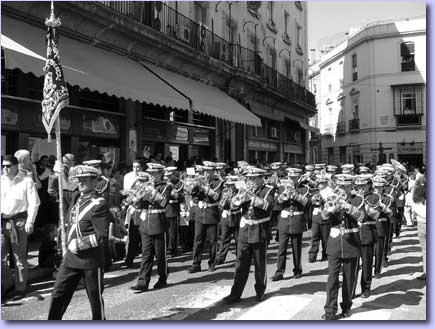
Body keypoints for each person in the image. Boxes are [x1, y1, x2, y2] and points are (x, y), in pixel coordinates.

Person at [47, 165, 109, 320]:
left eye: (85, 180)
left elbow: (101, 236)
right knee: (58, 293)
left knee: (94, 299)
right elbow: (55, 191)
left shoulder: (99, 203)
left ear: (94, 182)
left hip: (90, 260)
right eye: (78, 179)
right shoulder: (77, 197)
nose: (80, 183)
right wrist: (55, 174)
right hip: (71, 259)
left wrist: (79, 243)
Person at [222, 167, 274, 304]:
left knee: (259, 264)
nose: (250, 181)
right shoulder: (244, 189)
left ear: (261, 178)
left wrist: (251, 196)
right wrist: (238, 197)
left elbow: (268, 206)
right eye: (249, 178)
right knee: (240, 264)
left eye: (253, 178)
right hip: (244, 230)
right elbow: (233, 206)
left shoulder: (269, 189)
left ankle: (260, 291)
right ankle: (235, 294)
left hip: (259, 229)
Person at [322, 174, 363, 320]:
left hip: (351, 243)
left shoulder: (358, 199)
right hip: (334, 242)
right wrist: (329, 210)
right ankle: (330, 310)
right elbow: (323, 216)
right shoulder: (331, 198)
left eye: (346, 186)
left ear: (352, 186)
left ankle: (346, 306)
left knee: (349, 278)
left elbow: (362, 216)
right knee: (332, 278)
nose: (343, 189)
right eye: (340, 186)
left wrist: (347, 206)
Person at [1, 155, 41, 301]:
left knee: (19, 257)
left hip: (19, 222)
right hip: (2, 222)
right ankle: (7, 285)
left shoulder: (26, 181)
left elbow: (34, 203)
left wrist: (30, 222)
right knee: (1, 257)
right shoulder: (1, 181)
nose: (5, 168)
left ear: (16, 166)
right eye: (3, 166)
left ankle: (20, 288)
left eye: (8, 166)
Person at [130, 163, 171, 292]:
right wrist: (137, 198)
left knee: (160, 255)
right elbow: (139, 205)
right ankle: (143, 281)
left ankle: (162, 277)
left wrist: (153, 191)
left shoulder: (166, 186)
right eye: (150, 174)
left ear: (160, 174)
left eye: (154, 174)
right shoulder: (145, 186)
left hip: (158, 223)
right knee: (146, 254)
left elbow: (164, 203)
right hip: (145, 224)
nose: (151, 176)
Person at [271, 167, 309, 281]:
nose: (292, 179)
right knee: (281, 249)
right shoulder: (282, 187)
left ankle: (297, 270)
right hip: (284, 220)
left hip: (297, 219)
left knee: (296, 248)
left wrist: (296, 195)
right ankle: (279, 272)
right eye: (290, 177)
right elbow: (276, 204)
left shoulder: (304, 188)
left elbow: (306, 203)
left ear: (299, 177)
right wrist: (282, 197)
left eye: (294, 177)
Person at [187, 162, 224, 273]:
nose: (206, 173)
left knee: (212, 241)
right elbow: (192, 195)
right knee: (198, 240)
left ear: (213, 171)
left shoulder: (219, 182)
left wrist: (205, 188)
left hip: (211, 213)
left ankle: (212, 263)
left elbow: (217, 196)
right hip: (200, 213)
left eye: (209, 171)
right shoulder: (200, 180)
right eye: (205, 171)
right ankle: (196, 263)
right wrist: (194, 186)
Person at [215, 175, 241, 266]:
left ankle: (240, 257)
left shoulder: (240, 192)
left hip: (236, 216)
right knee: (224, 238)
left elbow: (239, 204)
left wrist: (229, 200)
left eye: (232, 184)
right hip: (226, 216)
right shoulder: (225, 191)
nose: (230, 186)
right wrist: (222, 202)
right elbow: (220, 202)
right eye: (229, 184)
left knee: (238, 239)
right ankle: (221, 258)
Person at [121, 160, 143, 268]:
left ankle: (146, 258)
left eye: (138, 167)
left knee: (144, 236)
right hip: (132, 208)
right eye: (134, 167)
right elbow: (126, 192)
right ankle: (129, 259)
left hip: (143, 210)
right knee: (132, 235)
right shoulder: (128, 176)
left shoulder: (146, 177)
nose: (136, 169)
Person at [308, 175, 331, 263]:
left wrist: (323, 200)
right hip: (316, 215)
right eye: (319, 183)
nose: (321, 185)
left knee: (325, 237)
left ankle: (325, 254)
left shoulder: (329, 191)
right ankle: (312, 255)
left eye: (323, 183)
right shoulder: (314, 191)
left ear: (326, 183)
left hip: (325, 215)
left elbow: (331, 202)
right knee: (315, 236)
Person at [164, 166, 184, 258]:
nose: (167, 177)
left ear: (173, 174)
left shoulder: (179, 183)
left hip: (173, 208)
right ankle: (166, 247)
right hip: (165, 208)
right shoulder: (165, 183)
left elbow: (178, 195)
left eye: (169, 175)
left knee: (173, 231)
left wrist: (170, 192)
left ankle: (173, 249)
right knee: (165, 231)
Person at [412, 180, 426, 280]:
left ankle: (426, 272)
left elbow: (414, 213)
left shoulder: (416, 202)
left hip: (422, 224)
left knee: (425, 251)